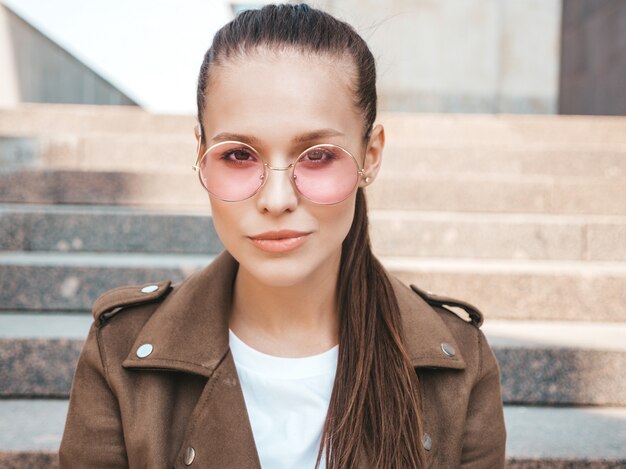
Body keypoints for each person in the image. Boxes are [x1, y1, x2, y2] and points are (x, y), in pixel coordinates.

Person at [59, 3, 506, 468]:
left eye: (317, 156)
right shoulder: (120, 352)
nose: (276, 199)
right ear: (200, 155)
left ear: (370, 156)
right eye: (237, 156)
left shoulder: (458, 364)